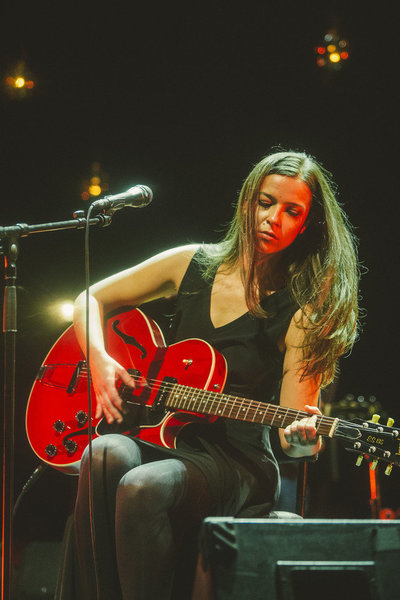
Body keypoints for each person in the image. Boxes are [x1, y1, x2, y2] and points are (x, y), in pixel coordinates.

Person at [72, 150, 359, 599]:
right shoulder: (192, 263)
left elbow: (291, 428)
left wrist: (304, 436)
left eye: (291, 211)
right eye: (265, 202)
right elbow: (90, 297)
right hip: (163, 436)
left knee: (143, 484)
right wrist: (99, 358)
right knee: (104, 453)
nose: (272, 218)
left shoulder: (301, 312)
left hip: (235, 462)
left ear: (307, 224)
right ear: (248, 200)